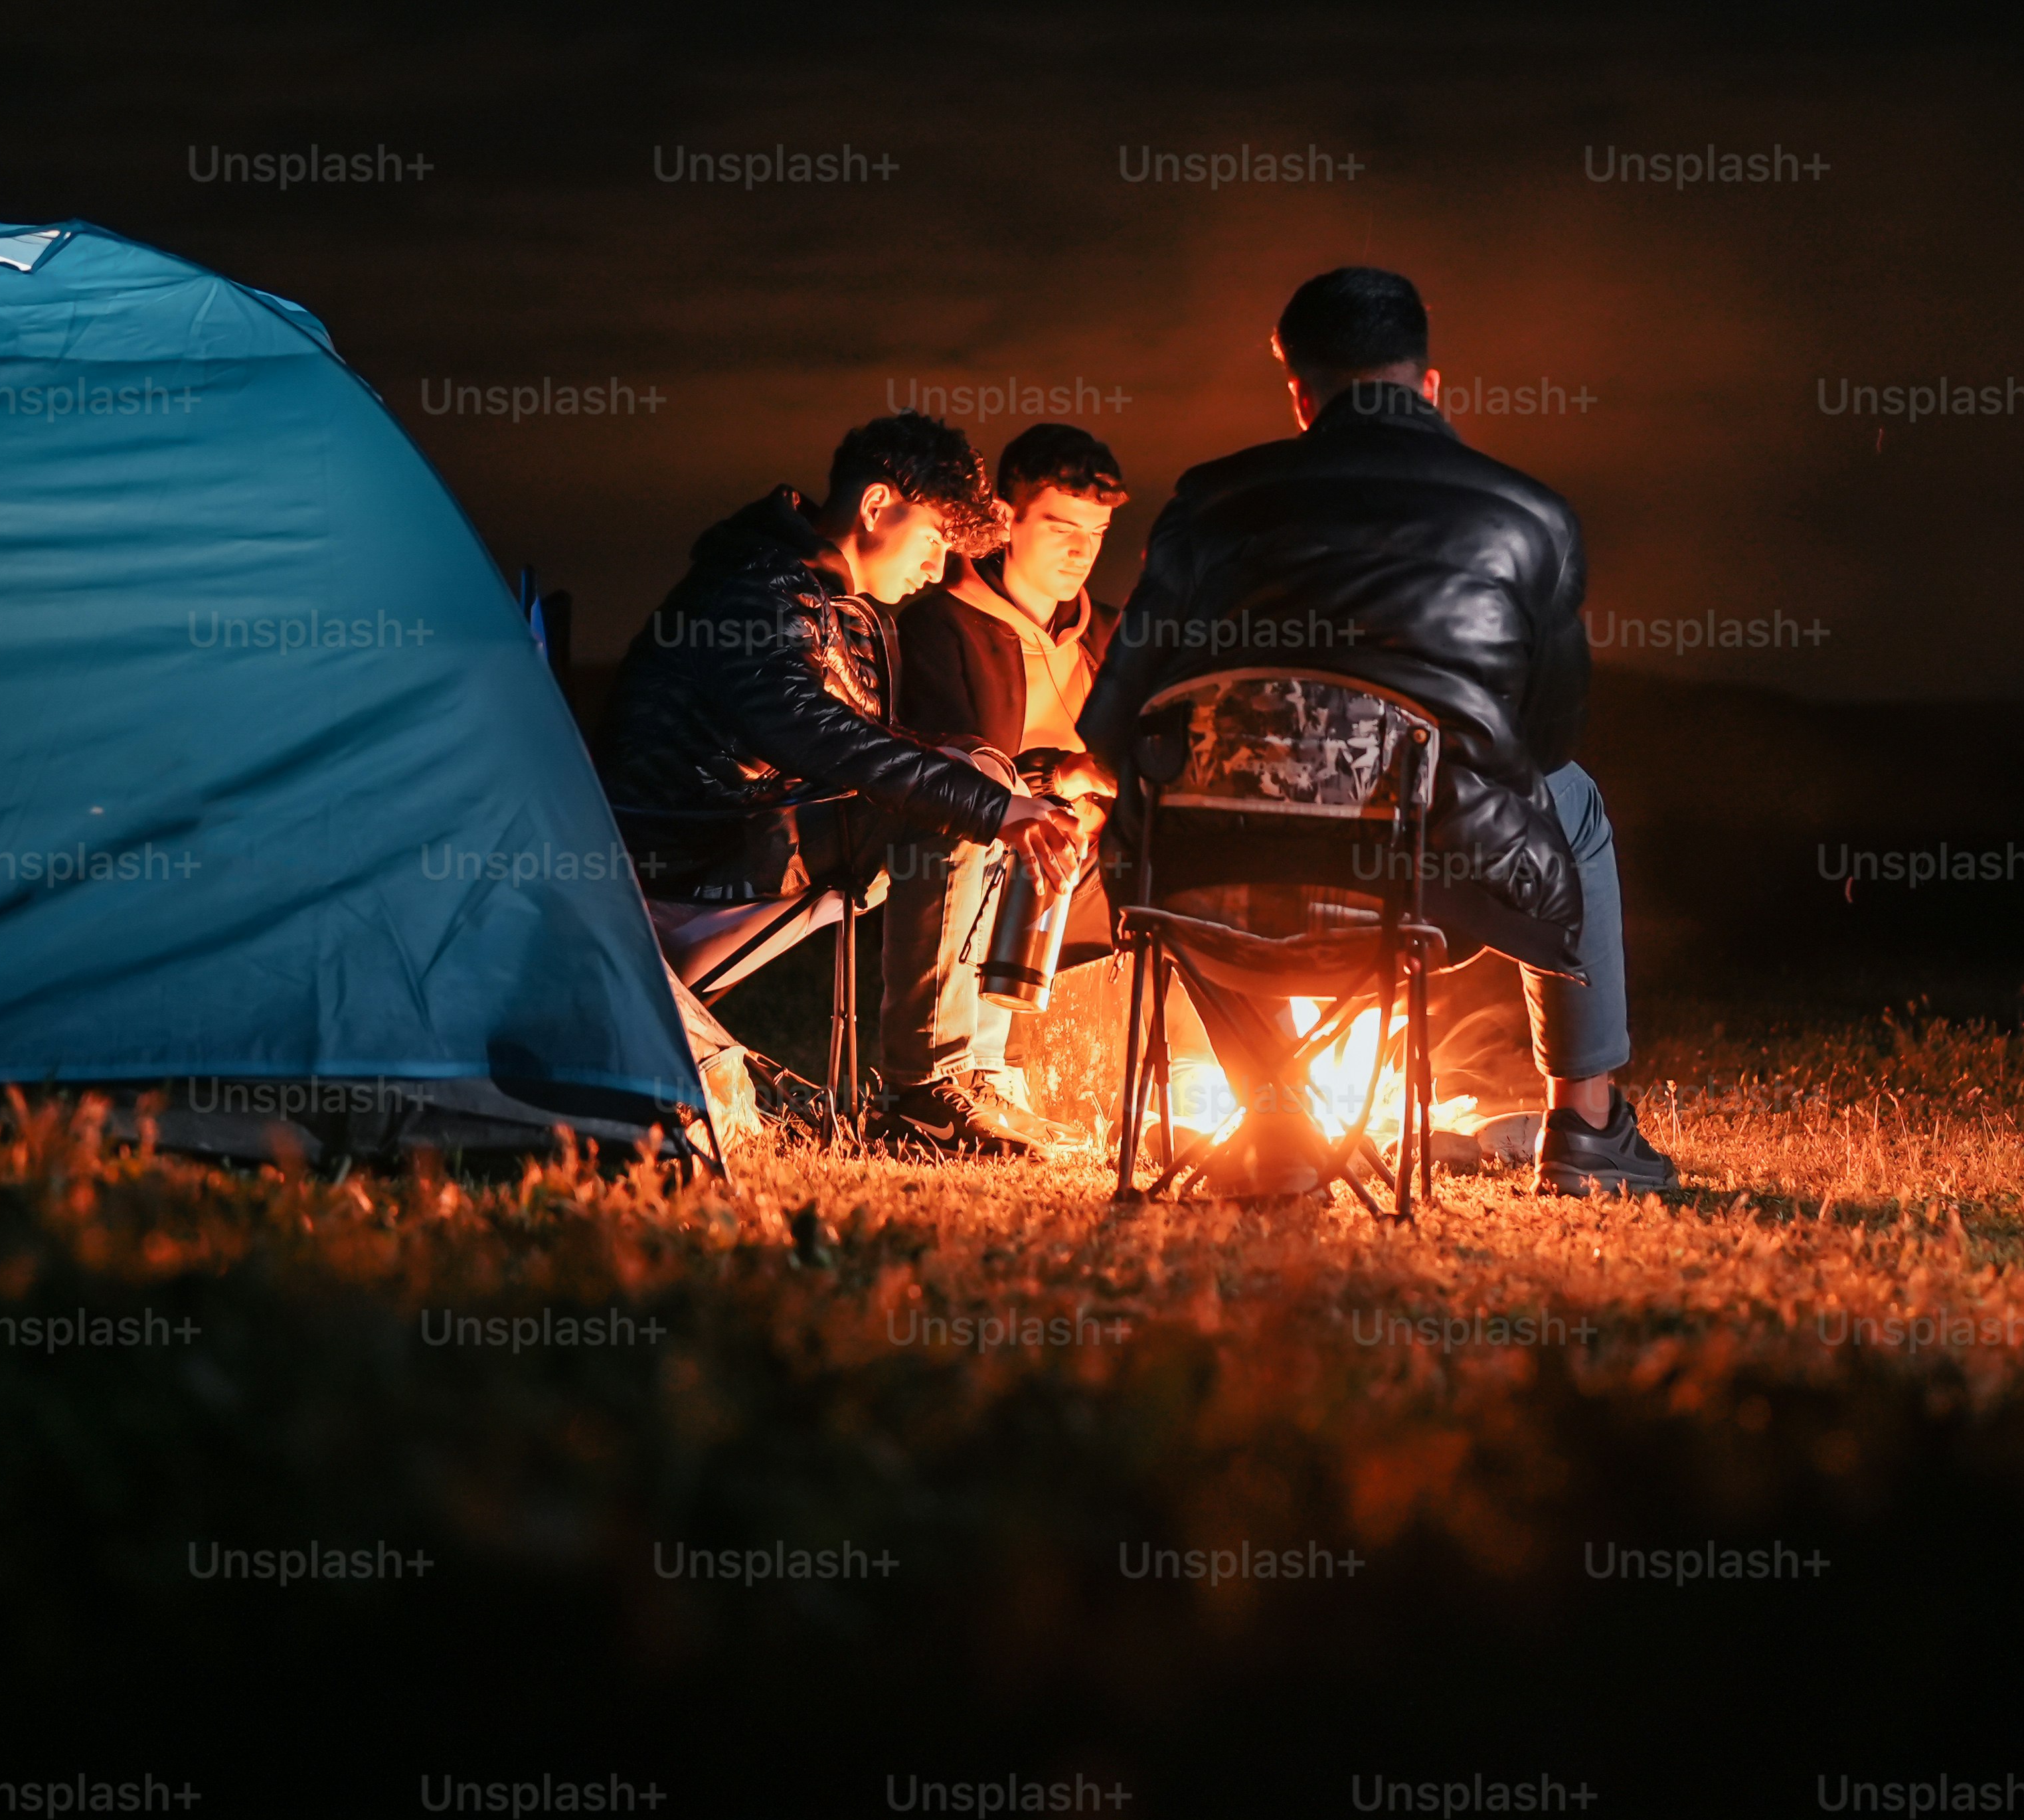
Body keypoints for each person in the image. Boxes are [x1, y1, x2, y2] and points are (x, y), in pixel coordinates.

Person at [1078, 268, 1675, 1196]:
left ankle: (1277, 1123)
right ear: (1429, 386)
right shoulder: (1528, 515)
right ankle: (1587, 1128)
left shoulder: (1211, 502)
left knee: (1169, 809)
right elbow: (1550, 736)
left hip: (1211, 887)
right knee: (1575, 801)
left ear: (1301, 395)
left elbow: (1116, 722)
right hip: (1422, 885)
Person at [601, 411, 1092, 1150]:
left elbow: (868, 741)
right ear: (875, 506)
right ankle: (923, 1091)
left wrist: (1010, 783)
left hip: (750, 833)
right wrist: (993, 805)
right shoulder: (755, 584)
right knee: (963, 800)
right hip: (687, 847)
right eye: (932, 540)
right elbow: (804, 729)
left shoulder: (845, 607)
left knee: (985, 774)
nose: (935, 570)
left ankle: (975, 1069)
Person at [886, 424, 1130, 1140]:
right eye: (1060, 526)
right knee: (977, 823)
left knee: (1182, 851)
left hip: (1080, 864)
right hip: (979, 844)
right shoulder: (942, 624)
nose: (1081, 550)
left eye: (1098, 530)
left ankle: (1178, 1083)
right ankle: (937, 1084)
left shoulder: (1109, 636)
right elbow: (947, 765)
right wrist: (1058, 781)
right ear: (1007, 520)